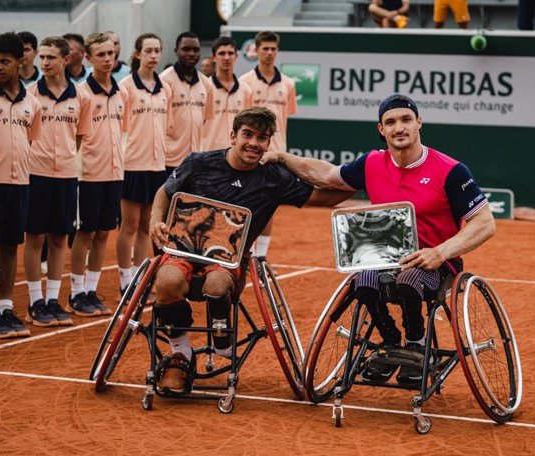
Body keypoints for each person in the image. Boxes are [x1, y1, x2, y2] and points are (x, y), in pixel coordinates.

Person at [262, 93, 495, 387]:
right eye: (391, 122)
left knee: (410, 278)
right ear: (381, 129)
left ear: (419, 123)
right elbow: (327, 176)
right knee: (364, 281)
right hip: (386, 259)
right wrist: (283, 157)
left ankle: (417, 345)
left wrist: (439, 252)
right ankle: (389, 342)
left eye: (406, 120)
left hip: (437, 264)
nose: (399, 127)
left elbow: (485, 222)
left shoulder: (450, 170)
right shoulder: (372, 163)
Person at [148, 106, 348, 393]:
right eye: (248, 134)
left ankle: (221, 336)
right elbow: (164, 193)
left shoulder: (274, 177)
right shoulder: (198, 163)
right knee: (166, 282)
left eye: (263, 138)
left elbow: (325, 195)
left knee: (217, 284)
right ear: (233, 135)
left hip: (227, 263)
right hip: (183, 251)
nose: (254, 143)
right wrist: (156, 221)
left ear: (269, 144)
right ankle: (181, 354)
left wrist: (358, 180)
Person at [24, 36, 91, 327]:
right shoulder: (29, 95)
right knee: (35, 238)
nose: (45, 63)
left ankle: (53, 298)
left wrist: (63, 160)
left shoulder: (81, 98)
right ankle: (34, 301)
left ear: (66, 59)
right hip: (36, 175)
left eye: (51, 57)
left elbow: (77, 138)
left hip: (66, 175)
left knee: (59, 238)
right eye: (42, 57)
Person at [0, 32, 43, 339]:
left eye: (5, 61)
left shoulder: (32, 103)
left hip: (20, 182)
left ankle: (6, 307)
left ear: (20, 62)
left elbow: (30, 141)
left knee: (10, 246)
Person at [68, 32, 129, 317]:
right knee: (85, 232)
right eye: (100, 55)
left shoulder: (122, 92)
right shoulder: (80, 93)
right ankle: (76, 292)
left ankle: (91, 290)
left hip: (114, 173)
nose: (107, 59)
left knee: (104, 231)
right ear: (89, 58)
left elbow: (122, 132)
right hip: (87, 174)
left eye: (110, 53)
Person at [116, 33, 172, 296]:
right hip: (132, 165)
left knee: (145, 227)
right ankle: (125, 282)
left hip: (157, 166)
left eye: (157, 50)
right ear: (137, 53)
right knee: (128, 226)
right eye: (148, 50)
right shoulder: (125, 87)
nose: (153, 55)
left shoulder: (165, 89)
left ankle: (140, 279)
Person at [239, 31, 297, 259]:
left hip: (276, 154)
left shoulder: (289, 84)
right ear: (257, 50)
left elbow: (285, 120)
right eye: (265, 48)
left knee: (269, 205)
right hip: (251, 153)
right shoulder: (245, 83)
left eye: (273, 49)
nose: (269, 53)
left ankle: (261, 257)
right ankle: (244, 252)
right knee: (245, 204)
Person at [159, 31, 213, 173]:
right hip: (168, 160)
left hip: (195, 160)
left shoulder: (206, 84)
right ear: (176, 51)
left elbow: (205, 121)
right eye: (186, 49)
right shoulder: (164, 81)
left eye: (195, 50)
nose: (191, 53)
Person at [201, 36, 252, 151]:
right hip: (208, 154)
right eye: (222, 53)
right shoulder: (203, 88)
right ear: (214, 57)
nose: (226, 58)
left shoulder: (246, 90)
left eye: (230, 53)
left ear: (236, 56)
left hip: (236, 156)